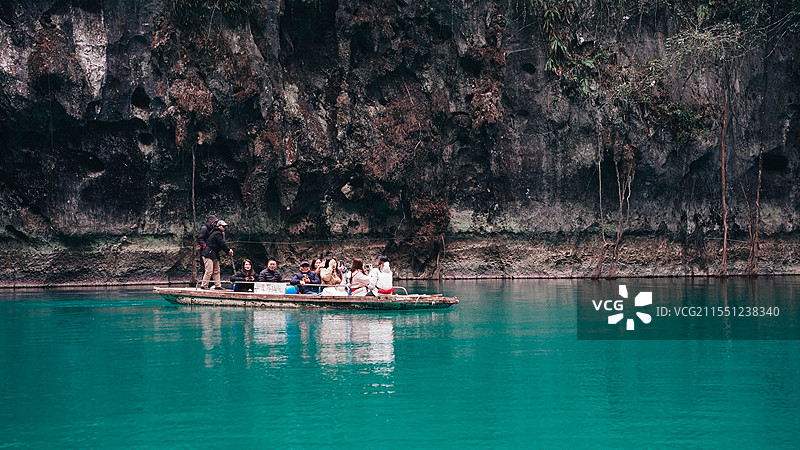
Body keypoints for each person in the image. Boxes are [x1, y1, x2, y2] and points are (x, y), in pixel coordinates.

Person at [200, 220, 233, 289]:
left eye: (225, 226)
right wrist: (228, 250)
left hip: (214, 254)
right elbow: (221, 243)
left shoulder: (217, 233)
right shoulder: (217, 233)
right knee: (209, 270)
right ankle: (204, 285)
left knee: (216, 270)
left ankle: (217, 285)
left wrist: (227, 251)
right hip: (208, 253)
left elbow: (220, 244)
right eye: (223, 226)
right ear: (218, 226)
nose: (224, 228)